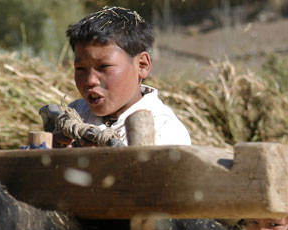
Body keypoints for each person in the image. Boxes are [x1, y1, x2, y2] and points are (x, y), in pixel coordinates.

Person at [53, 6, 191, 147]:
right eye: (80, 68)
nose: (90, 80)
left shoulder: (165, 132)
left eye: (104, 67)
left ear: (142, 65)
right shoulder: (76, 114)